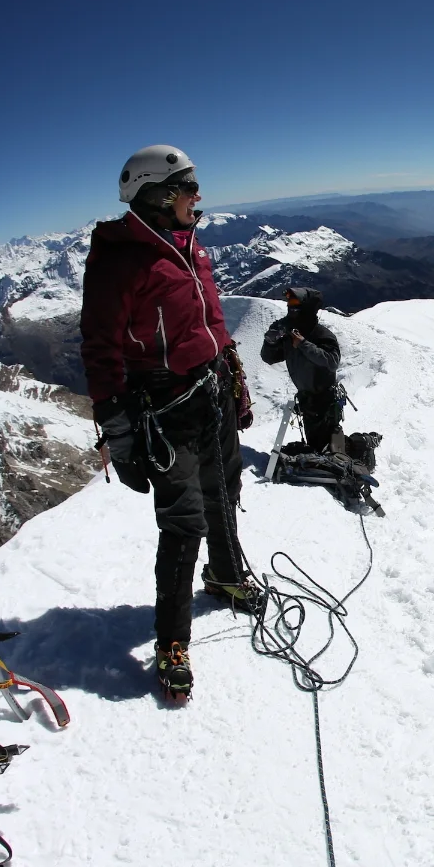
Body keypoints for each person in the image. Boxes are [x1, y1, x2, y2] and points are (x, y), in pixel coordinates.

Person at [79, 144, 257, 699]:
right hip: (165, 408)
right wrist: (118, 426)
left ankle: (227, 576)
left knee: (223, 489)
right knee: (183, 523)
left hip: (211, 390)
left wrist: (232, 368)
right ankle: (171, 642)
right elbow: (100, 347)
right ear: (158, 195)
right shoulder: (121, 261)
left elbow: (211, 315)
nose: (197, 195)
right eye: (187, 187)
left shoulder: (186, 246)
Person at [260, 287, 344, 451]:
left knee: (326, 446)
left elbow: (332, 361)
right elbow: (269, 358)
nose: (291, 307)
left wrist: (303, 344)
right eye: (290, 303)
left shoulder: (321, 334)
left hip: (324, 400)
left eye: (295, 303)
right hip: (308, 399)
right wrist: (270, 342)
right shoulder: (289, 333)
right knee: (316, 444)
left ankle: (333, 467)